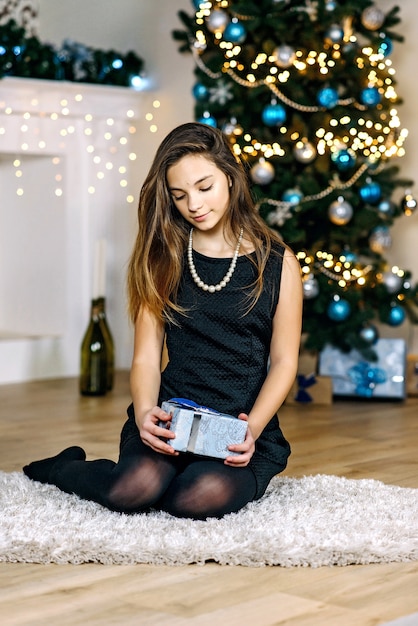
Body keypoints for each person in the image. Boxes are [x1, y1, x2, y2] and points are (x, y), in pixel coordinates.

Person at [23, 122, 302, 520]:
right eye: (180, 195)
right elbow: (145, 359)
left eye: (205, 187)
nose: (194, 204)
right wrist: (143, 414)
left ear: (231, 177)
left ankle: (189, 473)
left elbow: (285, 361)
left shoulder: (278, 263)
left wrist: (252, 429)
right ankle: (63, 467)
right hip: (171, 418)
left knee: (193, 499)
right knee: (131, 491)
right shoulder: (164, 258)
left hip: (237, 426)